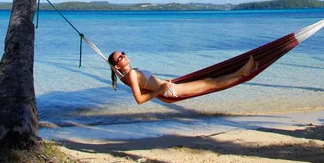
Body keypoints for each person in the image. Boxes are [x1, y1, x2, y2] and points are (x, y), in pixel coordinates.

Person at [108, 51, 259, 105]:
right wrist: (161, 88)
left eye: (123, 53)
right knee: (212, 83)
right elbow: (139, 100)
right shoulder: (131, 75)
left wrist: (161, 84)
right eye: (120, 57)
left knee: (209, 81)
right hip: (172, 91)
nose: (124, 55)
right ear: (117, 66)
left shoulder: (126, 76)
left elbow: (142, 83)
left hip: (170, 87)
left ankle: (243, 71)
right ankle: (243, 73)